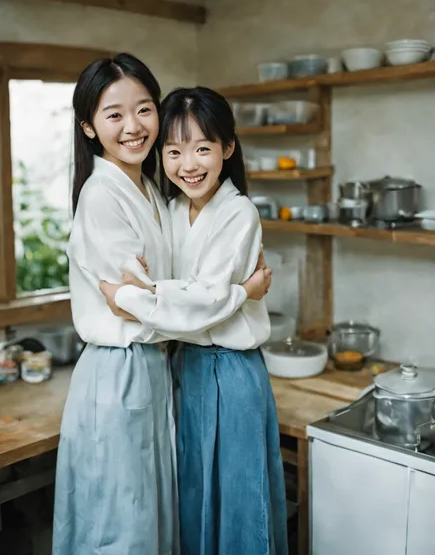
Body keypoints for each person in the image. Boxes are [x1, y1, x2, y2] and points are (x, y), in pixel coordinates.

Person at [52, 57, 269, 555]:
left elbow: (152, 298)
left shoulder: (152, 190)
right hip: (120, 371)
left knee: (153, 520)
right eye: (113, 115)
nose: (133, 127)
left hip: (156, 368)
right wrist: (241, 293)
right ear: (88, 127)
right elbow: (138, 306)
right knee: (121, 524)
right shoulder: (102, 196)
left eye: (144, 109)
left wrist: (146, 298)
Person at [100, 86, 288, 555]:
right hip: (185, 369)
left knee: (239, 503)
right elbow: (186, 300)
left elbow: (202, 300)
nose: (189, 164)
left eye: (203, 148)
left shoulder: (239, 212)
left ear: (228, 148)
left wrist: (139, 298)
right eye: (174, 150)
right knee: (193, 499)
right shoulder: (170, 210)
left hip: (231, 372)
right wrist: (231, 293)